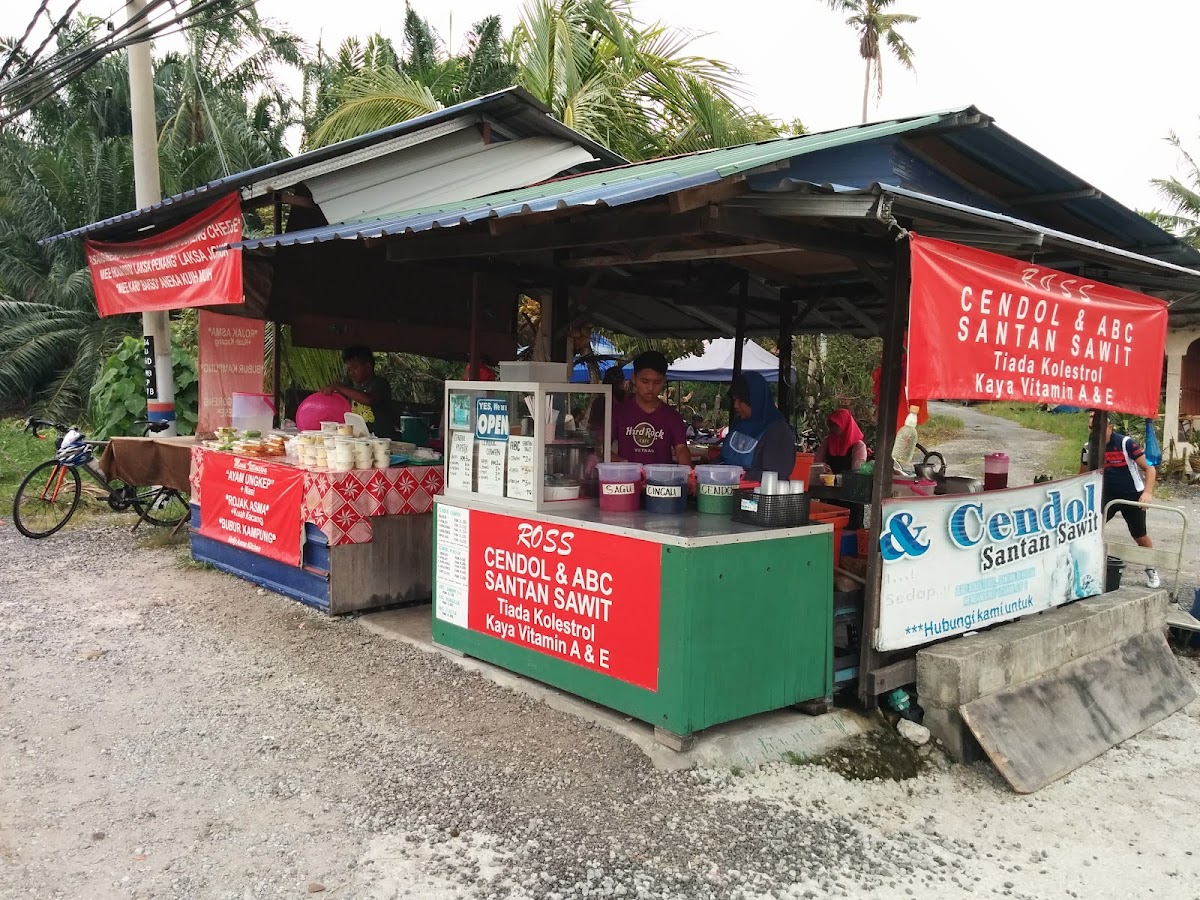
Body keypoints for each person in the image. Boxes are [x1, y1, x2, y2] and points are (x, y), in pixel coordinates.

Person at [1079, 412, 1160, 588]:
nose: (1096, 432)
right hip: (1106, 494)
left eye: (1100, 428)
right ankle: (1091, 567)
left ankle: (1151, 567)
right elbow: (1082, 476)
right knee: (1091, 529)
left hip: (1131, 494)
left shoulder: (1126, 443)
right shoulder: (1088, 447)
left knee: (1140, 536)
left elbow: (1150, 469)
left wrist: (1148, 492)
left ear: (1110, 428)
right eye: (1092, 428)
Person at [611, 351, 690, 466]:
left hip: (661, 481)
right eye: (645, 381)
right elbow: (601, 444)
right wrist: (617, 460)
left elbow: (681, 449)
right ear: (634, 379)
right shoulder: (619, 412)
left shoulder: (672, 417)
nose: (650, 387)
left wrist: (688, 473)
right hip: (628, 480)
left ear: (664, 380)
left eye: (657, 382)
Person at [720, 371, 796, 481]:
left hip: (756, 496)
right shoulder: (739, 424)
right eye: (735, 399)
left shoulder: (778, 431)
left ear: (756, 400)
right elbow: (725, 459)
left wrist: (738, 475)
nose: (736, 405)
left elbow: (776, 476)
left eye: (741, 400)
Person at [322, 346, 396, 438]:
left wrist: (338, 386)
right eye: (349, 369)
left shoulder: (380, 384)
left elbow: (368, 399)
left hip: (382, 439)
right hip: (362, 439)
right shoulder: (354, 388)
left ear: (368, 367)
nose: (351, 373)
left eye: (355, 368)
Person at [814, 408, 869, 474]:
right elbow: (816, 464)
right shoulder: (827, 442)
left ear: (845, 424)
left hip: (848, 482)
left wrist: (835, 476)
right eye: (830, 425)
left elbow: (857, 472)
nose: (832, 428)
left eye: (836, 425)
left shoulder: (858, 446)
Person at [586, 365, 627, 436]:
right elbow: (594, 428)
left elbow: (593, 428)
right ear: (623, 382)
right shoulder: (600, 402)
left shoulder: (599, 401)